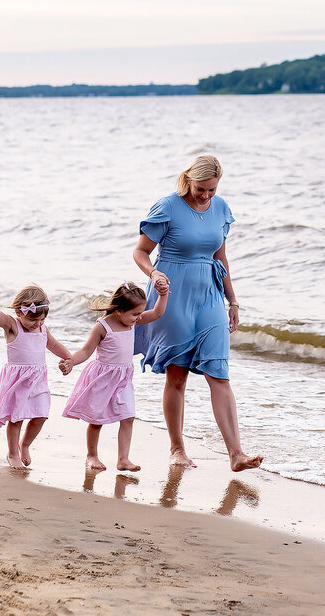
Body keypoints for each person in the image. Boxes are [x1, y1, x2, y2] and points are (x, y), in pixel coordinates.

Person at [132, 154, 264, 472]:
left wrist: (232, 301)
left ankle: (236, 454)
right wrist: (153, 274)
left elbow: (221, 256)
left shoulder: (220, 209)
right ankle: (177, 449)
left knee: (218, 373)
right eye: (200, 188)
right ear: (188, 179)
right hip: (171, 294)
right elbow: (140, 252)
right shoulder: (167, 206)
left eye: (212, 190)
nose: (205, 195)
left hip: (210, 295)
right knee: (177, 376)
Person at [61, 281, 169, 472]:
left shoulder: (131, 321)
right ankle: (92, 456)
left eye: (139, 313)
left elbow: (157, 313)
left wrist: (163, 295)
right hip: (102, 379)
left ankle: (123, 459)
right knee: (96, 420)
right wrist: (70, 361)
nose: (138, 318)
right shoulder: (102, 327)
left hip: (123, 379)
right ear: (119, 311)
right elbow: (86, 352)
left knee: (128, 417)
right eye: (135, 314)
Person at [0, 283, 72, 471]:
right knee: (16, 419)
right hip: (18, 382)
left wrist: (68, 359)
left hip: (38, 381)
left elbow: (54, 345)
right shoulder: (13, 326)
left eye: (41, 319)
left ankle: (25, 445)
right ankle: (12, 453)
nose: (37, 324)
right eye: (33, 320)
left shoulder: (43, 329)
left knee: (41, 415)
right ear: (18, 312)